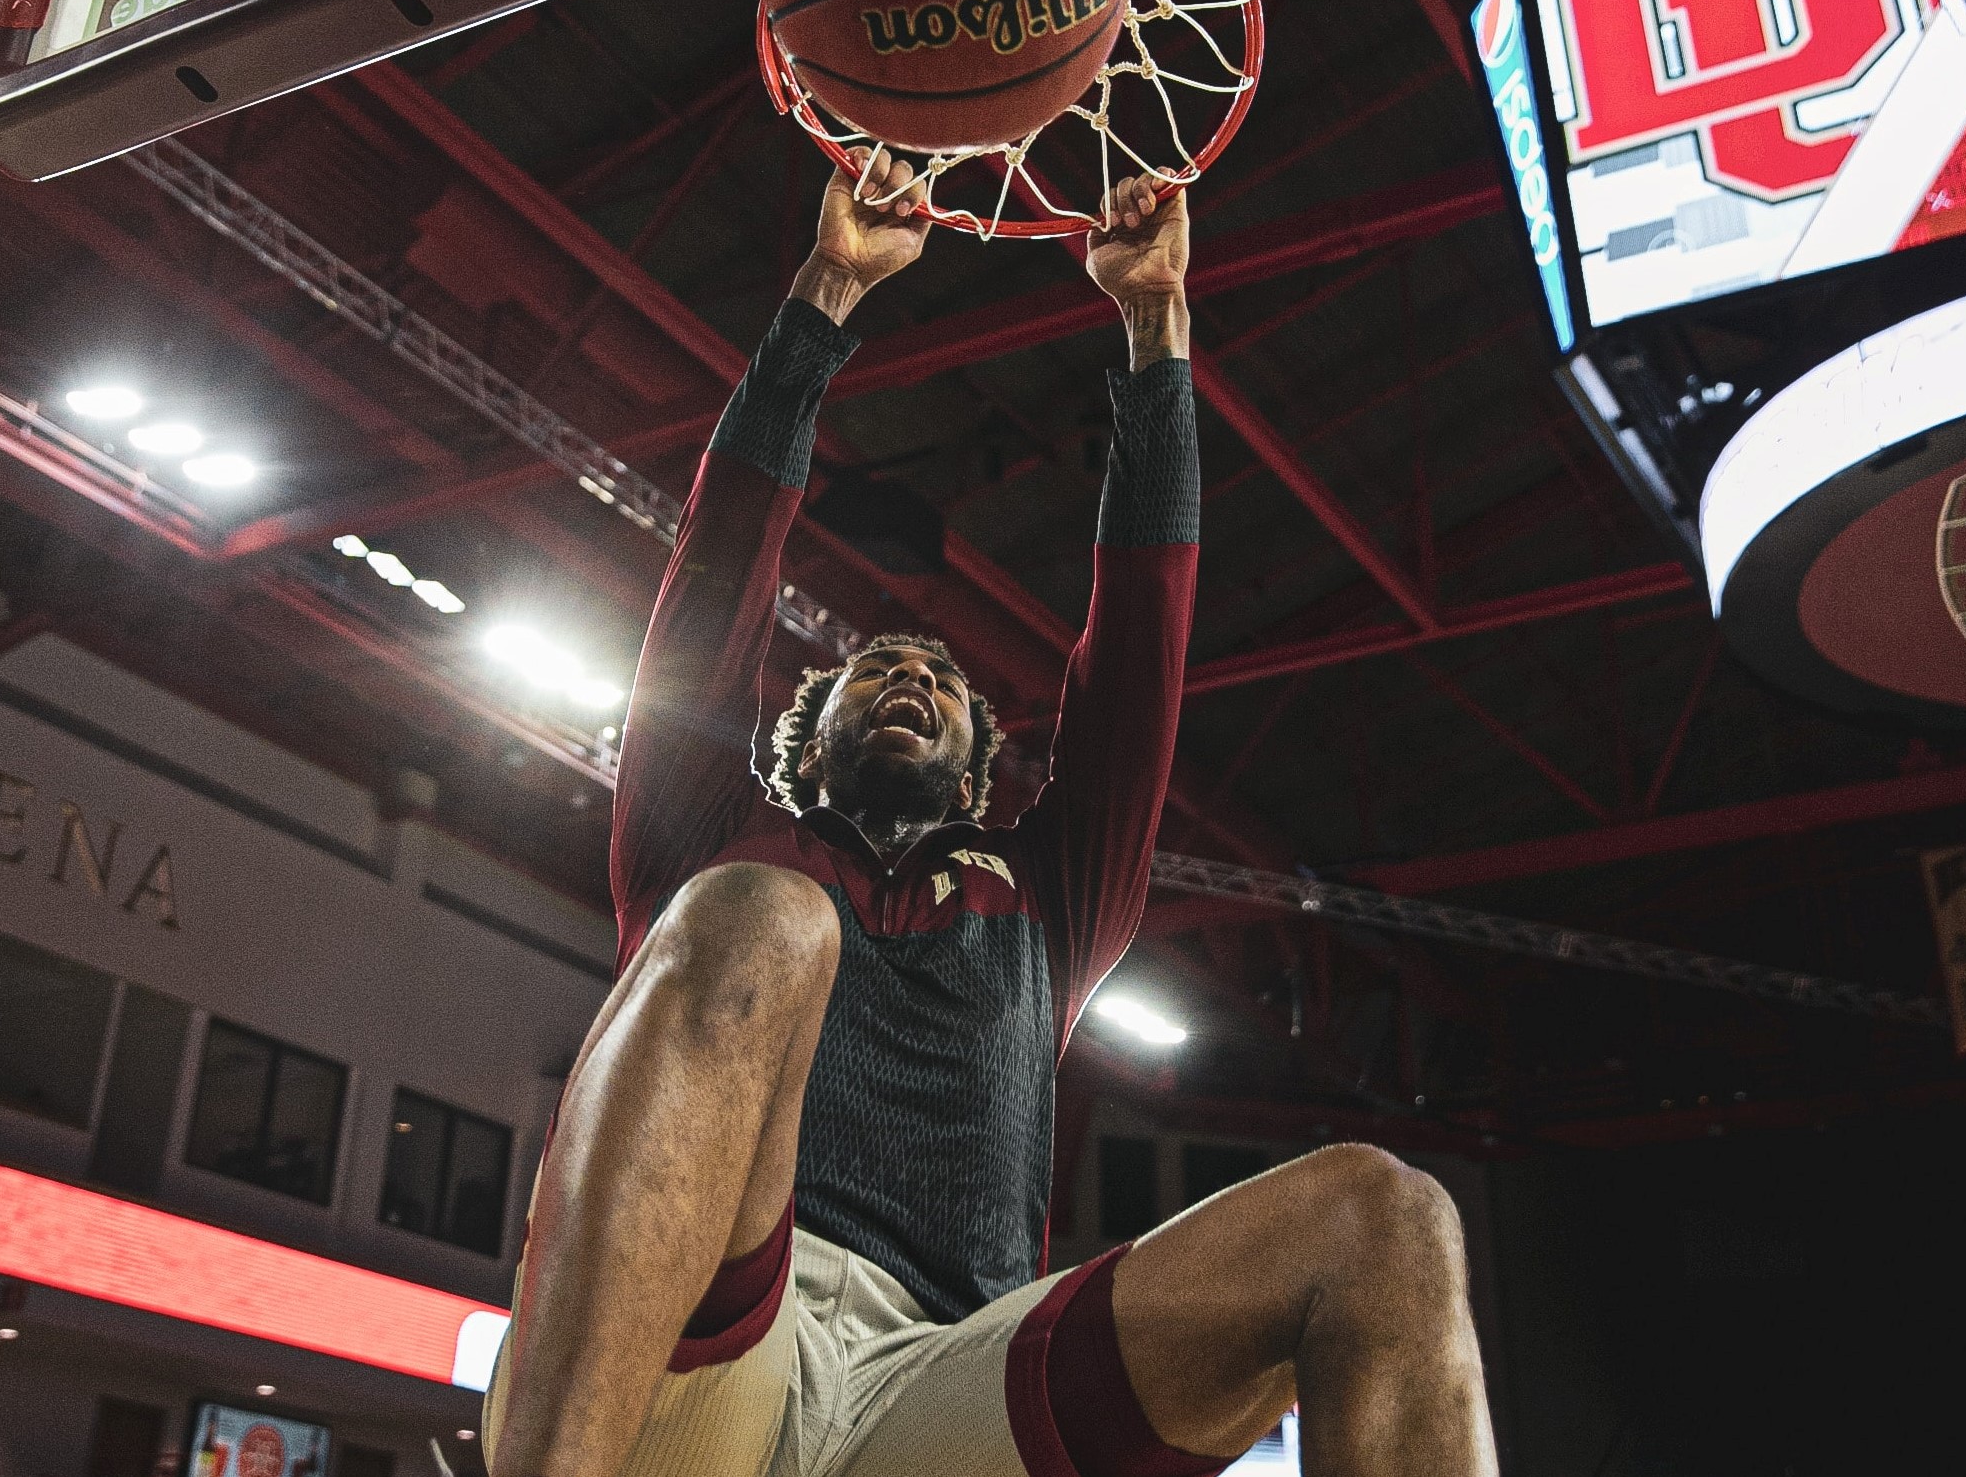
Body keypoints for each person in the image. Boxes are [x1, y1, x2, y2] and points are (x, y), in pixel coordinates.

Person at [486, 156, 1497, 1477]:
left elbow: (1140, 652)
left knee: (1388, 1220)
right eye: (872, 672)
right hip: (695, 1353)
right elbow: (719, 567)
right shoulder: (711, 835)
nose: (909, 676)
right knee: (761, 918)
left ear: (980, 769)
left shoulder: (1050, 899)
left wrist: (1155, 326)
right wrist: (823, 297)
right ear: (806, 731)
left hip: (944, 1381)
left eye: (941, 682)